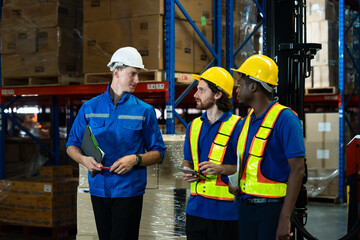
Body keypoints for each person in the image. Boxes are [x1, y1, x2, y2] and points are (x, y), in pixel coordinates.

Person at [66, 46, 166, 240]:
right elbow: (71, 145)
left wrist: (135, 159)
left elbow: (159, 152)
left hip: (129, 191)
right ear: (116, 72)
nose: (137, 80)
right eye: (133, 74)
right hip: (99, 189)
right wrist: (84, 160)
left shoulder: (144, 111)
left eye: (138, 75)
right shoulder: (90, 107)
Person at [229, 54, 305, 240]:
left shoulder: (286, 119)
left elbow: (298, 169)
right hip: (246, 207)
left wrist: (285, 218)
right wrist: (235, 184)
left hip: (273, 210)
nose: (236, 89)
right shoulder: (247, 122)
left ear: (253, 86)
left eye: (240, 84)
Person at [181, 66, 242, 240]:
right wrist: (187, 170)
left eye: (201, 90)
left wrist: (221, 169)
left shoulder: (239, 127)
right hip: (195, 210)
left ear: (217, 94)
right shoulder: (193, 126)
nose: (195, 94)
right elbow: (188, 161)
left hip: (226, 214)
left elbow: (246, 170)